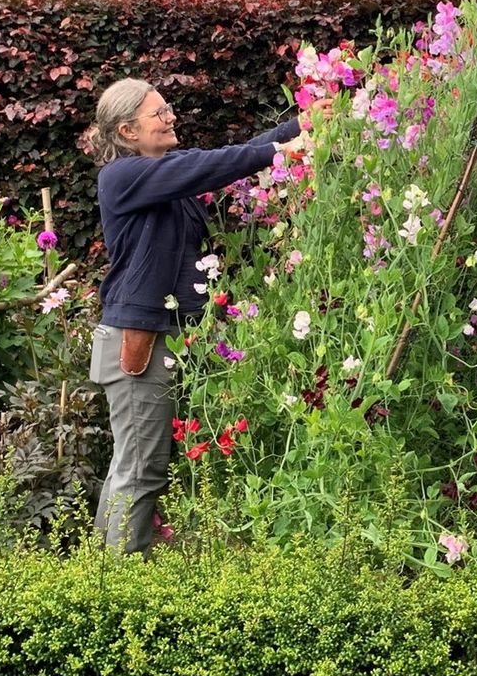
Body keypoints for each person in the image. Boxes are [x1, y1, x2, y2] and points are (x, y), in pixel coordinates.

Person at [86, 78, 326, 554]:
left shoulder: (167, 176)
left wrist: (302, 123)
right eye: (159, 113)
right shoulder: (122, 176)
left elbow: (225, 157)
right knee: (140, 470)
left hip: (170, 340)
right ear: (128, 130)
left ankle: (104, 572)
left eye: (168, 108)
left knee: (134, 467)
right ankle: (118, 585)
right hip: (141, 342)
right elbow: (212, 165)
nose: (170, 116)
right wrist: (286, 146)